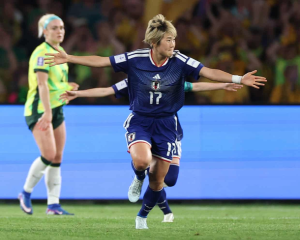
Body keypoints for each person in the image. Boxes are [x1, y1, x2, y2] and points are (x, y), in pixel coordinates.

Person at [44, 14, 266, 229]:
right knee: (141, 161)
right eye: (169, 39)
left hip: (167, 124)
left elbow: (206, 72)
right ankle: (138, 177)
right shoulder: (136, 60)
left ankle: (144, 216)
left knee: (161, 181)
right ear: (155, 42)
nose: (173, 44)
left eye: (174, 39)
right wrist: (70, 58)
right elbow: (103, 62)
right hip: (141, 121)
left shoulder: (179, 61)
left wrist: (237, 78)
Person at [59, 79, 243, 222]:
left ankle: (152, 191)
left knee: (169, 179)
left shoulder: (172, 76)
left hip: (168, 130)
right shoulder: (136, 76)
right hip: (144, 126)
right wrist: (78, 93)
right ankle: (146, 205)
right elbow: (108, 90)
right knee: (144, 164)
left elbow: (194, 86)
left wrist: (223, 85)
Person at [18, 14, 78, 215]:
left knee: (57, 156)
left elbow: (53, 84)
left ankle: (53, 204)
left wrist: (66, 87)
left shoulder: (60, 51)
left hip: (56, 108)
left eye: (61, 27)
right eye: (54, 28)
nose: (59, 31)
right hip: (40, 110)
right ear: (44, 32)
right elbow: (41, 84)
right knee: (49, 154)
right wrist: (47, 113)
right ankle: (25, 192)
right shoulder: (41, 53)